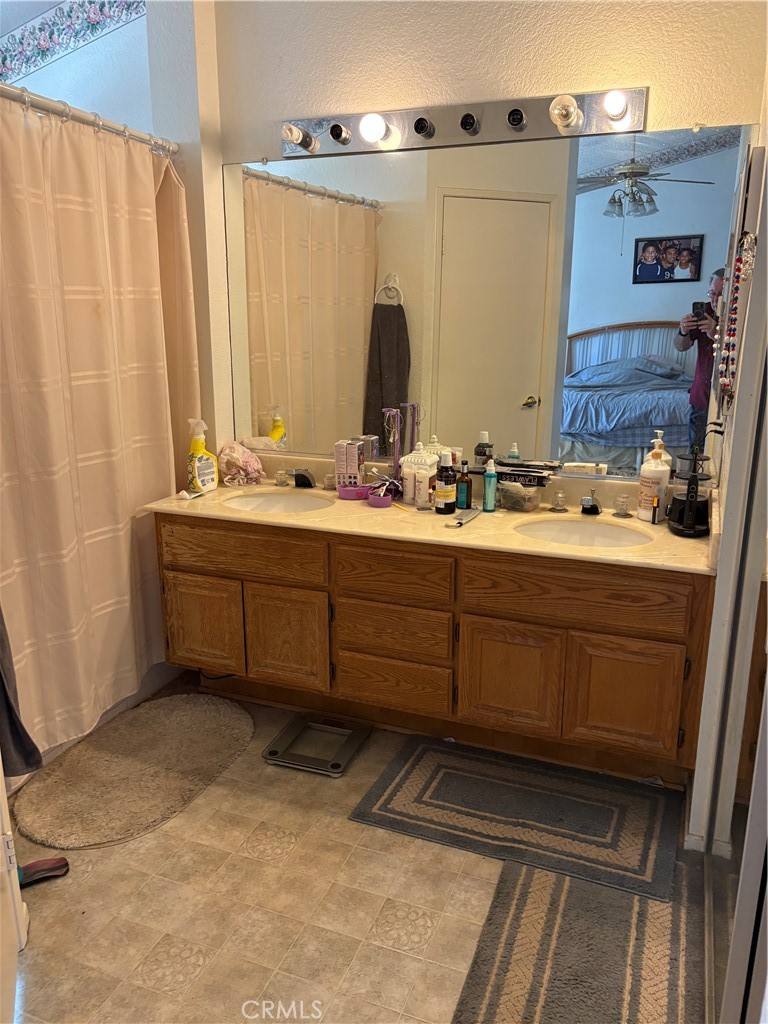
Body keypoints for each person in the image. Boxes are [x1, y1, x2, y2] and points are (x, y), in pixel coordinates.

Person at [674, 268, 725, 452]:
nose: (714, 299)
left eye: (720, 294)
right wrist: (683, 331)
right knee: (695, 451)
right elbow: (681, 346)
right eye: (712, 293)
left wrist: (715, 333)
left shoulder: (739, 317)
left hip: (725, 396)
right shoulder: (703, 312)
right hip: (701, 395)